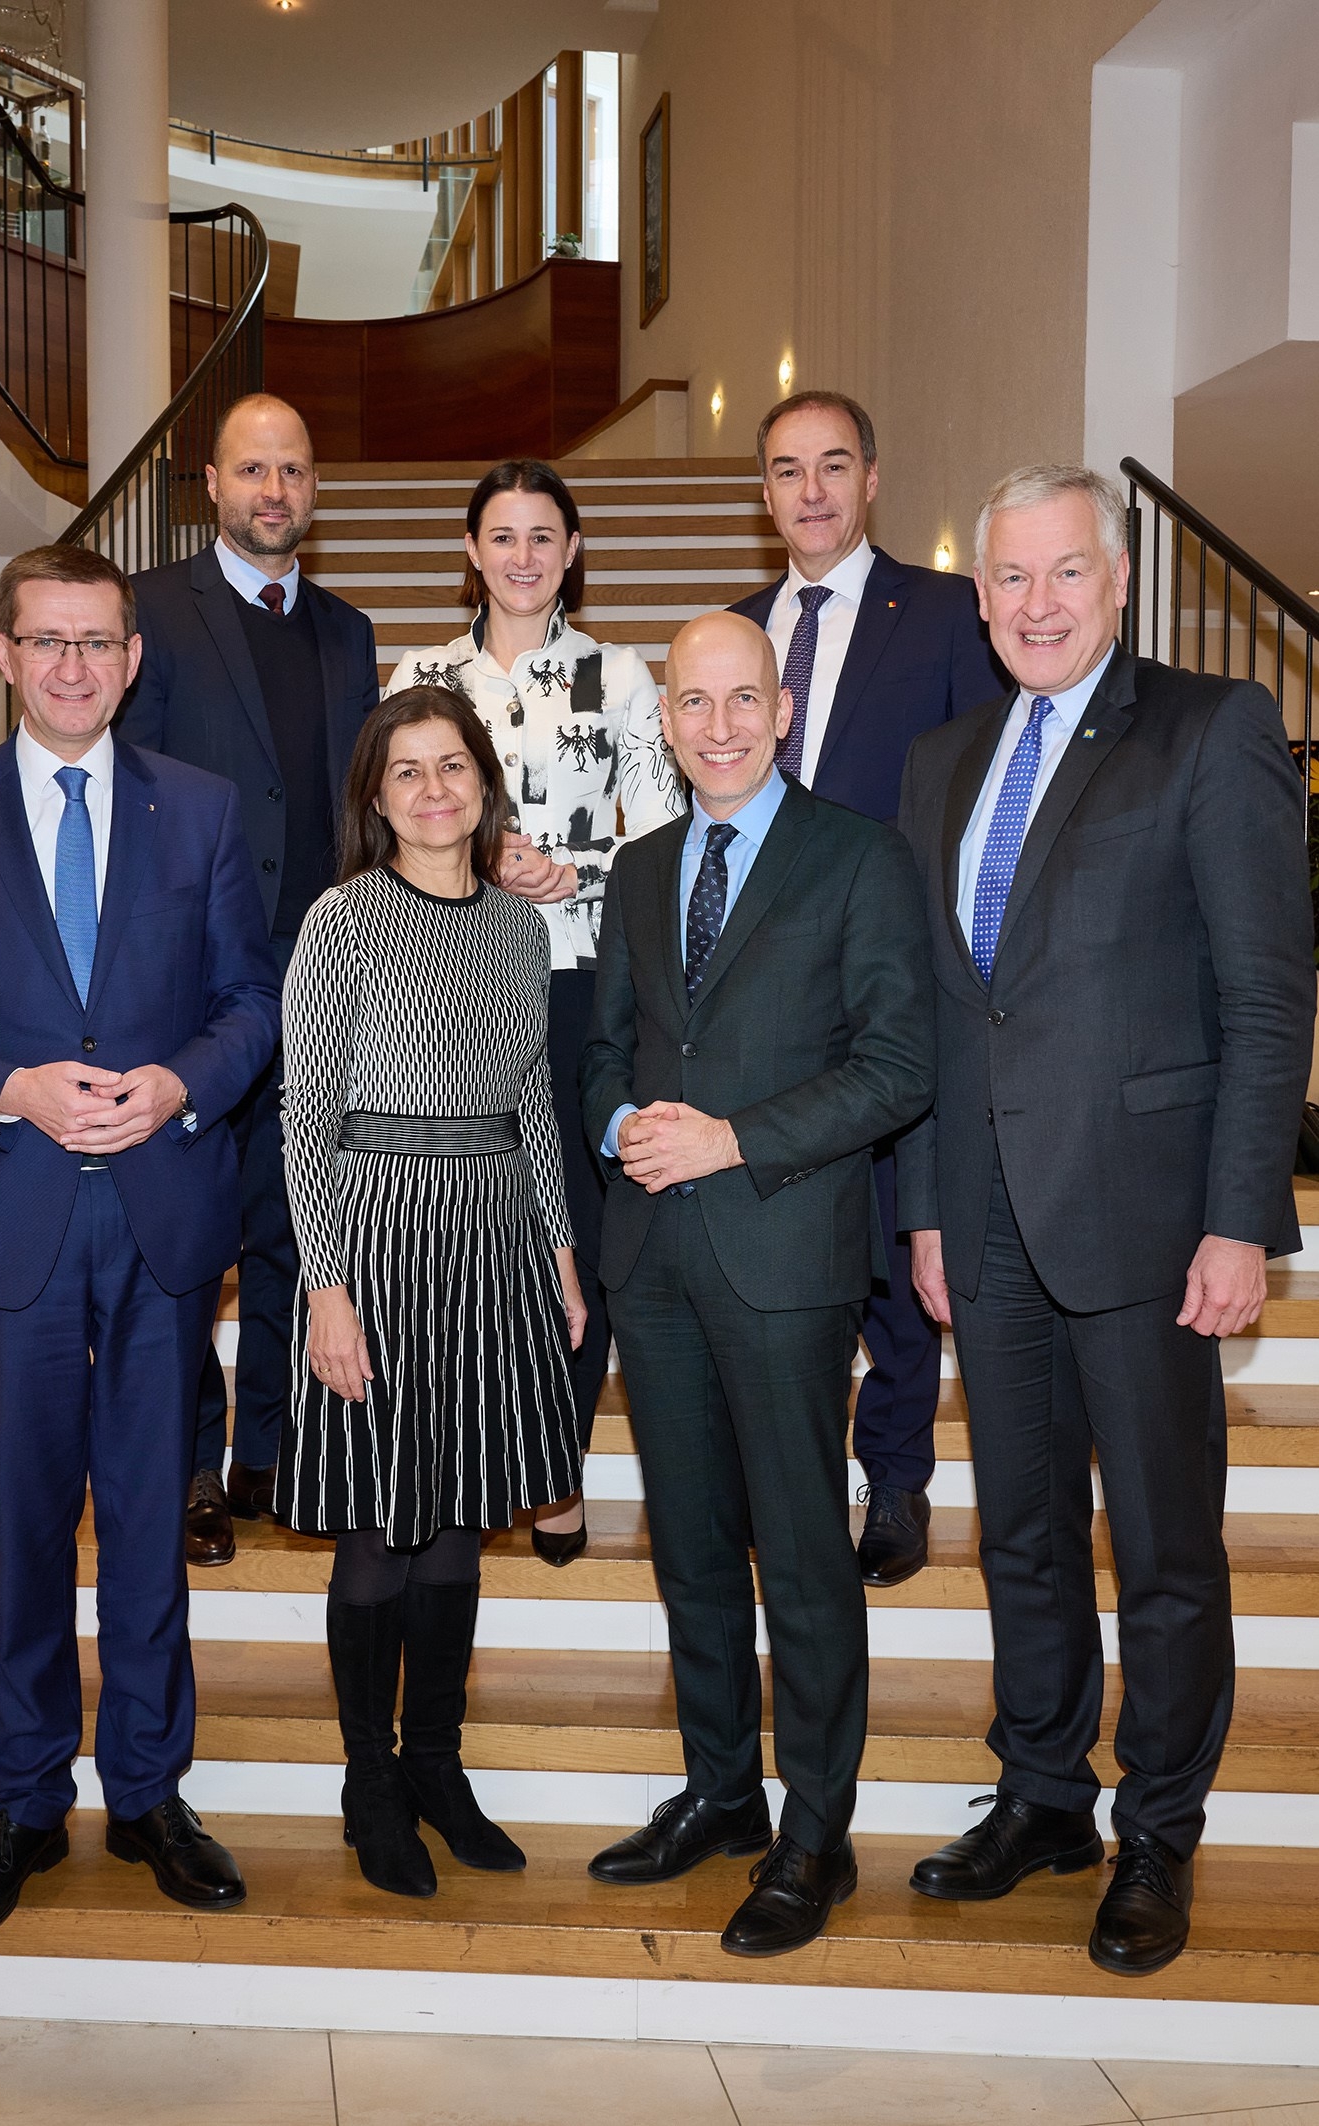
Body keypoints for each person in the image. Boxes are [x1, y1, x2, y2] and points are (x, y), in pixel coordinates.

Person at [897, 465, 1314, 1977]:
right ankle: (1042, 1794)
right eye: (1008, 578)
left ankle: (1158, 1829)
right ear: (979, 595)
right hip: (985, 1217)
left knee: (1161, 1546)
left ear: (1117, 578)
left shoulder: (1211, 728)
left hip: (1147, 1221)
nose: (1036, 603)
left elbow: (1265, 995)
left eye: (1064, 570)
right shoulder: (942, 760)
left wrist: (1238, 1219)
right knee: (1017, 1530)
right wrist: (926, 1211)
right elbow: (937, 1012)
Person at [0, 545, 282, 1945]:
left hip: (162, 1219)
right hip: (9, 1217)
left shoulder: (200, 808)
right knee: (27, 1528)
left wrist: (179, 1085)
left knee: (150, 1522)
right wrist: (10, 1088)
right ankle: (26, 1800)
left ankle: (148, 1792)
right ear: (4, 655)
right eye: (48, 640)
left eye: (98, 641)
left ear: (133, 659)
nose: (74, 665)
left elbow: (251, 1002)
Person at [580, 611, 934, 1957]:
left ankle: (815, 1834)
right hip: (652, 1255)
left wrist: (731, 1138)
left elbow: (898, 1065)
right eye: (693, 701)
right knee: (687, 1549)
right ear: (664, 719)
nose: (718, 725)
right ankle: (722, 1791)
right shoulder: (638, 868)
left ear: (781, 711)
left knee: (798, 1552)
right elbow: (603, 1053)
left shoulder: (859, 856)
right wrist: (625, 1126)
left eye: (743, 699)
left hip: (784, 1253)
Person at [276, 686, 587, 1899]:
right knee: (378, 1527)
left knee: (460, 1517)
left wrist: (558, 1247)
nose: (432, 789)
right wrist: (326, 1287)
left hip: (494, 1238)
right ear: (375, 795)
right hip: (376, 1240)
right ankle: (369, 1781)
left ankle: (436, 1766)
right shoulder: (341, 919)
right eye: (404, 770)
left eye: (451, 764)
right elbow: (305, 1112)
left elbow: (531, 1101)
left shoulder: (519, 930)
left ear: (483, 781)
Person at [387, 459, 682, 1565]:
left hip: (580, 982)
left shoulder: (620, 674)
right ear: (471, 550)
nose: (523, 556)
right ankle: (462, 1456)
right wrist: (475, 857)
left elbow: (663, 838)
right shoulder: (421, 674)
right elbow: (386, 819)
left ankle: (555, 1468)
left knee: (580, 1232)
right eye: (502, 536)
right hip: (446, 981)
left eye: (543, 535)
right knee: (465, 1222)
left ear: (572, 550)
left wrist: (575, 870)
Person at [730, 390, 1003, 1587]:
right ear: (764, 490)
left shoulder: (943, 613)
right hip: (764, 1003)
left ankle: (893, 1477)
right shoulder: (737, 631)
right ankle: (786, 1479)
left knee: (897, 1248)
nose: (811, 490)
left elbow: (978, 799)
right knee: (786, 1255)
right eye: (788, 469)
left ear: (872, 478)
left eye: (833, 465)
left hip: (895, 987)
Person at [121, 391, 378, 1568]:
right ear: (213, 484)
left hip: (316, 976)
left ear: (313, 488)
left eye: (294, 470)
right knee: (187, 1235)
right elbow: (129, 791)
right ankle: (189, 1463)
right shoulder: (153, 612)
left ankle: (267, 1450)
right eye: (253, 469)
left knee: (292, 1219)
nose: (275, 490)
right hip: (191, 982)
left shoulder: (347, 631)